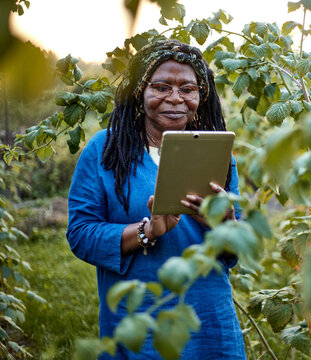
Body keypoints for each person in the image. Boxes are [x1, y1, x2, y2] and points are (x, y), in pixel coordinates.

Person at [66, 39, 246, 359]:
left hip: (211, 322)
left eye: (187, 89)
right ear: (140, 91)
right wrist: (145, 233)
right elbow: (80, 234)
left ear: (200, 95)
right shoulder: (105, 150)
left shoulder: (216, 152)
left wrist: (226, 224)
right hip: (138, 319)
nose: (175, 99)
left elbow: (236, 248)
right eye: (161, 86)